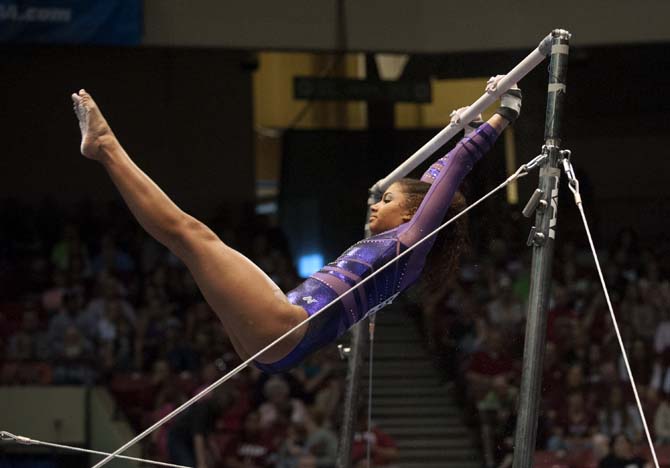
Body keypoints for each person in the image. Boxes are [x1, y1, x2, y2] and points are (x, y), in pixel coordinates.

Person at [70, 77, 521, 374]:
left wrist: (506, 111)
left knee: (190, 236)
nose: (373, 207)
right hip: (281, 325)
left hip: (284, 326)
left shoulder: (410, 241)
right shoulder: (401, 240)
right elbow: (435, 178)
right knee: (191, 243)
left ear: (408, 216)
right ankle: (105, 150)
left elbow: (457, 168)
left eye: (385, 200)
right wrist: (473, 120)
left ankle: (106, 148)